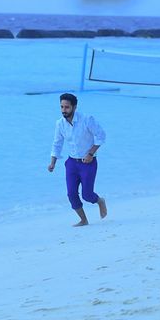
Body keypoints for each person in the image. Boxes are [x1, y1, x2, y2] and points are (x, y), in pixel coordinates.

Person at [47, 93, 108, 227]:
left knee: (87, 195)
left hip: (88, 163)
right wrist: (52, 162)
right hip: (71, 164)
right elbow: (57, 143)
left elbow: (101, 136)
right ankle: (83, 220)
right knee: (71, 194)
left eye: (67, 107)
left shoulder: (87, 119)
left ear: (74, 107)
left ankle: (100, 201)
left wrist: (90, 154)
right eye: (61, 107)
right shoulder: (60, 124)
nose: (64, 110)